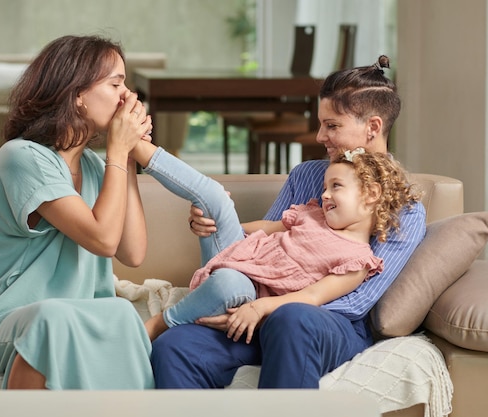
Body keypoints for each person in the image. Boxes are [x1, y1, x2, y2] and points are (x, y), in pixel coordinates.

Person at [150, 55, 428, 389]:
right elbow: (262, 252)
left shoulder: (406, 210)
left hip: (326, 322)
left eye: (332, 125)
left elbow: (357, 303)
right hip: (262, 308)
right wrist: (215, 227)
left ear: (373, 127)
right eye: (321, 123)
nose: (319, 136)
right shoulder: (307, 176)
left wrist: (265, 309)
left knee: (291, 318)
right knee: (173, 347)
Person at [0, 35, 155, 390]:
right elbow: (103, 239)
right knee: (53, 319)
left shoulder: (98, 168)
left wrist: (127, 157)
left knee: (124, 313)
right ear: (77, 95)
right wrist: (117, 151)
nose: (127, 98)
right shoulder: (23, 158)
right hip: (8, 321)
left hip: (81, 314)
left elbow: (133, 253)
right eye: (115, 84)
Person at [137, 145, 421, 344]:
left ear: (371, 194)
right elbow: (266, 228)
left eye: (336, 186)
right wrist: (219, 224)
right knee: (214, 195)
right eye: (324, 187)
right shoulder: (313, 213)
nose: (324, 194)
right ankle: (141, 149)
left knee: (227, 284)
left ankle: (162, 322)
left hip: (249, 290)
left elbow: (312, 297)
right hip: (238, 256)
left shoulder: (357, 261)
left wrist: (261, 308)